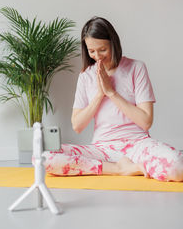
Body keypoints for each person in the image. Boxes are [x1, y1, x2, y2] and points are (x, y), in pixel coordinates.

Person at [43, 17, 183, 181]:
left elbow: (146, 121)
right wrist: (99, 95)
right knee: (46, 157)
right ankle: (117, 169)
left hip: (138, 145)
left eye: (102, 49)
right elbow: (77, 125)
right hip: (102, 149)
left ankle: (123, 166)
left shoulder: (136, 68)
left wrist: (111, 93)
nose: (97, 57)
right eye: (91, 51)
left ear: (113, 44)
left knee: (178, 167)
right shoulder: (86, 76)